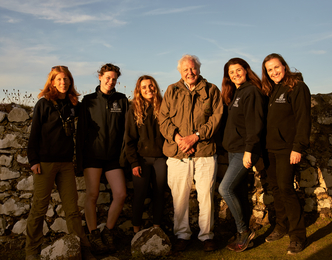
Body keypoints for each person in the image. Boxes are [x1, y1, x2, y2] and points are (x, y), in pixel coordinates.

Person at [26, 66, 95, 260]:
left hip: (65, 164)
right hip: (44, 163)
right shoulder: (44, 104)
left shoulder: (74, 104)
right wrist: (33, 160)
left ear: (70, 82)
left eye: (66, 79)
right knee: (39, 208)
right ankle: (31, 251)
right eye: (59, 79)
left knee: (72, 209)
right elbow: (34, 135)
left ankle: (82, 247)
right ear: (52, 82)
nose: (63, 83)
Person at [159, 54, 223, 252]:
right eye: (186, 69)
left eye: (193, 68)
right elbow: (163, 119)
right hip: (178, 154)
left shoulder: (211, 89)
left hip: (204, 151)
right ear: (180, 71)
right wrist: (179, 139)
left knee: (206, 196)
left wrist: (195, 137)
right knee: (180, 197)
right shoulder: (172, 90)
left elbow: (216, 117)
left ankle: (206, 236)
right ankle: (182, 235)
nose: (190, 72)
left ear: (199, 69)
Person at [261, 53, 311, 254]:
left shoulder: (297, 87)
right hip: (270, 149)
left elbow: (303, 119)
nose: (274, 72)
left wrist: (298, 147)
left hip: (288, 149)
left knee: (286, 189)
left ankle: (298, 236)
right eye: (269, 70)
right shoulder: (272, 90)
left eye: (276, 67)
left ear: (284, 65)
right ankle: (281, 226)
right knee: (275, 188)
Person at [77, 63, 128, 255]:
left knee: (121, 194)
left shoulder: (121, 100)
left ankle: (108, 231)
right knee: (92, 195)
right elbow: (81, 132)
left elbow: (126, 130)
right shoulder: (88, 100)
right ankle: (94, 234)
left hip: (114, 158)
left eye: (114, 79)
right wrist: (79, 161)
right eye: (107, 77)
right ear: (100, 77)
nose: (110, 81)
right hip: (93, 156)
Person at [218, 58, 265, 252]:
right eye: (231, 72)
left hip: (244, 151)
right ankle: (242, 232)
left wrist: (249, 151)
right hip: (233, 150)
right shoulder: (237, 92)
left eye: (238, 70)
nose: (235, 74)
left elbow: (255, 124)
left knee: (225, 189)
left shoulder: (251, 91)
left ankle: (244, 231)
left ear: (246, 70)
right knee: (238, 192)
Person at [125, 75, 167, 234]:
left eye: (151, 86)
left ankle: (157, 229)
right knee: (140, 194)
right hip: (141, 159)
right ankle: (136, 231)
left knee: (159, 193)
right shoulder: (133, 109)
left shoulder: (163, 106)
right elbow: (129, 139)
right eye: (144, 87)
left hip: (160, 159)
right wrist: (134, 162)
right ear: (139, 91)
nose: (148, 89)